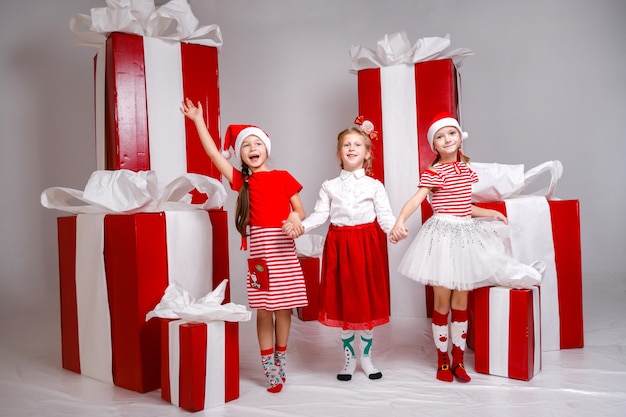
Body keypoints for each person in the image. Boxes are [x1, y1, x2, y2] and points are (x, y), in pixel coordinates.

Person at [389, 112, 543, 383]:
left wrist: (489, 213)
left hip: (464, 238)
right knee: (442, 300)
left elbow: (464, 207)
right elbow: (416, 200)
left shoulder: (467, 171)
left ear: (460, 138)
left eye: (451, 133)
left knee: (461, 299)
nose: (447, 138)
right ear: (434, 145)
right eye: (440, 136)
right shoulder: (434, 171)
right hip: (441, 238)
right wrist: (400, 221)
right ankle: (443, 359)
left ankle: (458, 358)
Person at [181, 98, 308, 393]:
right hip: (262, 255)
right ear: (240, 154)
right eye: (246, 145)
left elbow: (300, 210)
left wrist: (293, 216)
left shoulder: (283, 177)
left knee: (285, 309)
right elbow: (213, 154)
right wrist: (199, 120)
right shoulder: (242, 181)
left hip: (285, 252)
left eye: (258, 144)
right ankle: (268, 368)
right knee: (265, 310)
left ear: (267, 149)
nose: (253, 149)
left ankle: (281, 358)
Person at [283, 116, 396, 381]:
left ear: (367, 153)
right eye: (346, 144)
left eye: (358, 144)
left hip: (367, 244)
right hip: (340, 244)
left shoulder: (374, 185)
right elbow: (320, 215)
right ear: (339, 153)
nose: (352, 148)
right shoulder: (329, 186)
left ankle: (366, 358)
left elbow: (386, 217)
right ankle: (348, 359)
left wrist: (395, 230)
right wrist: (300, 226)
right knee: (344, 302)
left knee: (365, 301)